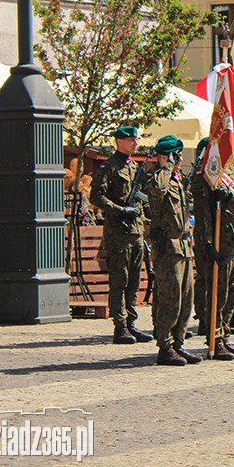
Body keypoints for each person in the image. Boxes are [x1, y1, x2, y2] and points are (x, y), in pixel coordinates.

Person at [191, 143, 234, 360]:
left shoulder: (231, 174)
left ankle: (225, 335)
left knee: (232, 292)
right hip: (219, 241)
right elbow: (202, 216)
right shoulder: (206, 176)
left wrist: (230, 196)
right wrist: (208, 243)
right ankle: (215, 338)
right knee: (218, 292)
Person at [89, 126, 153, 345]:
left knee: (134, 280)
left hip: (136, 232)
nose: (135, 143)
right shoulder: (109, 167)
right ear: (119, 142)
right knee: (120, 280)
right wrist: (120, 210)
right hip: (118, 232)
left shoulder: (135, 166)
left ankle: (132, 323)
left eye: (136, 139)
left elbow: (142, 197)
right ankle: (120, 326)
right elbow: (96, 196)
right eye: (131, 140)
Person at [143, 135, 200, 366]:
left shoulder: (177, 180)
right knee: (170, 298)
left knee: (186, 298)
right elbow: (157, 189)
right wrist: (166, 164)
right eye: (177, 155)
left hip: (184, 245)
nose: (180, 159)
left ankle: (178, 343)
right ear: (165, 156)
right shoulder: (158, 178)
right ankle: (164, 346)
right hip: (168, 247)